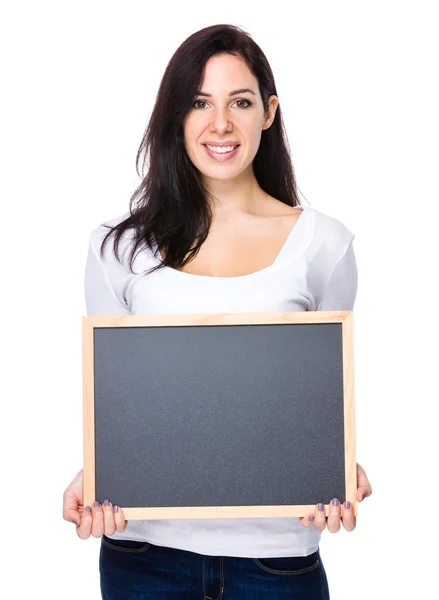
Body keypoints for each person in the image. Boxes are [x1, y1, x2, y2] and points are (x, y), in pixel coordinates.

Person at [63, 23, 372, 600]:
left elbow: (321, 406)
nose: (220, 124)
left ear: (269, 112)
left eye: (241, 102)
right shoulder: (117, 248)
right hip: (143, 557)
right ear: (175, 115)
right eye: (199, 103)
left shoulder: (324, 246)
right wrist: (94, 476)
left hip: (277, 563)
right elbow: (116, 410)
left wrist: (338, 474)